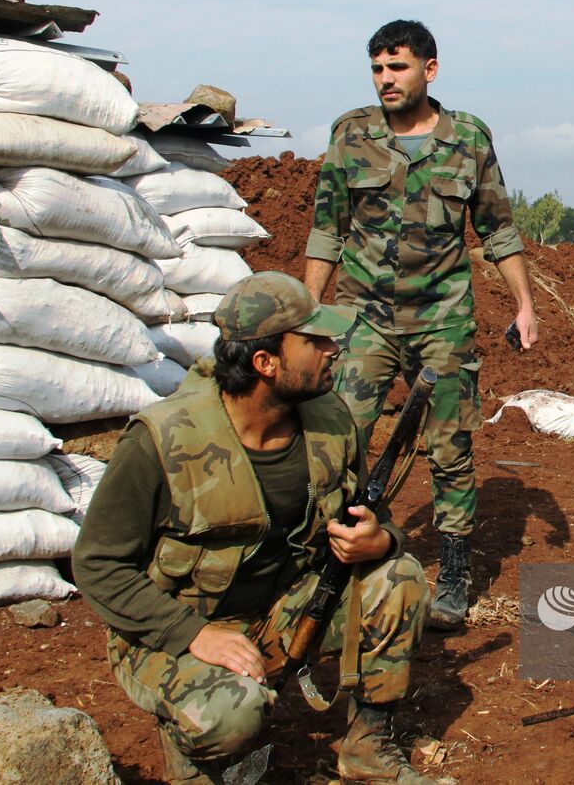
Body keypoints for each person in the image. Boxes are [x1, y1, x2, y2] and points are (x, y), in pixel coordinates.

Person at [72, 272, 438, 785]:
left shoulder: (329, 420)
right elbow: (97, 564)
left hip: (284, 608)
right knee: (231, 714)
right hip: (173, 631)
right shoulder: (163, 440)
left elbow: (368, 515)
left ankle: (368, 752)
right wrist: (193, 635)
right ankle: (194, 755)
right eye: (315, 342)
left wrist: (380, 540)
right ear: (266, 363)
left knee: (400, 579)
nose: (334, 349)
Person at [305, 20, 537, 631]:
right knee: (340, 439)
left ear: (429, 70)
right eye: (377, 69)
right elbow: (327, 229)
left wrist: (525, 304)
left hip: (443, 319)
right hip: (364, 318)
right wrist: (308, 315)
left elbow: (498, 229)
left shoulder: (469, 139)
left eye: (398, 67)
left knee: (449, 446)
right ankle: (335, 556)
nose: (386, 79)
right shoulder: (350, 135)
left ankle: (453, 572)